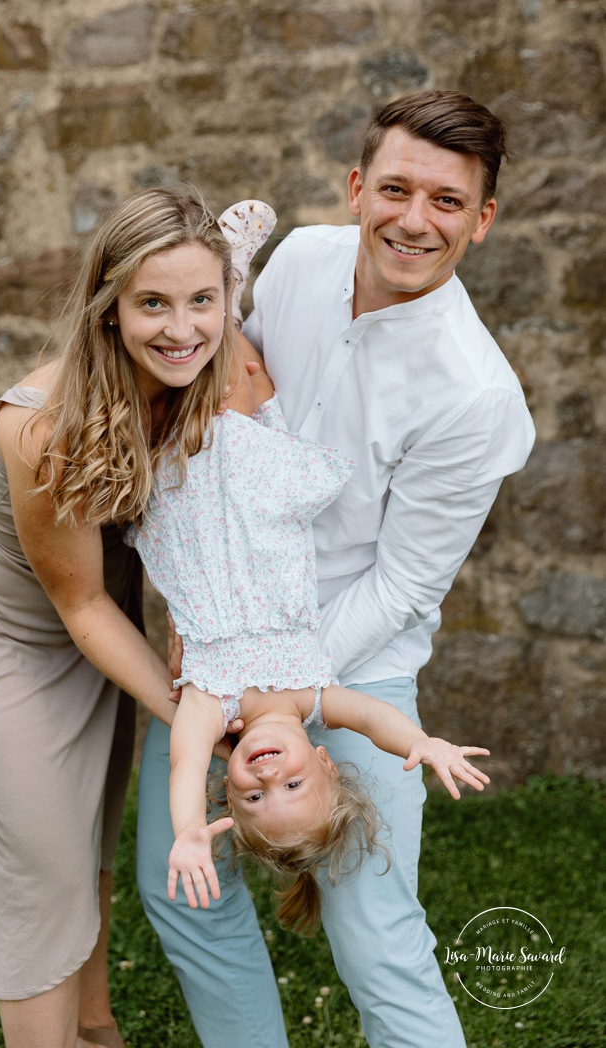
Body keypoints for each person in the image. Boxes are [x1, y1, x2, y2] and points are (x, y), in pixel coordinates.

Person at [135, 90, 536, 1047]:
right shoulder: (306, 257)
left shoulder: (475, 399)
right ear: (357, 188)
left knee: (371, 931)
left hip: (352, 663)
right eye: (394, 188)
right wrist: (216, 631)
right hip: (222, 640)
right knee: (179, 886)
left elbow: (401, 587)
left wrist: (276, 700)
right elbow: (225, 403)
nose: (412, 219)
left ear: (481, 221)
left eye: (446, 201)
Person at [0, 186, 251, 1048]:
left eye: (201, 300)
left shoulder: (205, 377)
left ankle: (94, 1030)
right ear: (109, 310)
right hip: (6, 635)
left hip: (101, 624)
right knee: (39, 865)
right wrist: (195, 716)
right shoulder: (45, 426)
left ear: (226, 299)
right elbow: (78, 602)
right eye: (152, 304)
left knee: (82, 843)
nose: (182, 328)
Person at [124, 359, 491, 930]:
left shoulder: (210, 705)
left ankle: (203, 296)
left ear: (229, 793)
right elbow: (371, 717)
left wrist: (190, 832)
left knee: (177, 375)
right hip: (255, 480)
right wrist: (423, 744)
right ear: (325, 762)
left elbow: (185, 763)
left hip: (186, 479)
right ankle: (218, 290)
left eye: (252, 799)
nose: (268, 777)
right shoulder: (310, 696)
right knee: (227, 356)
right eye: (293, 785)